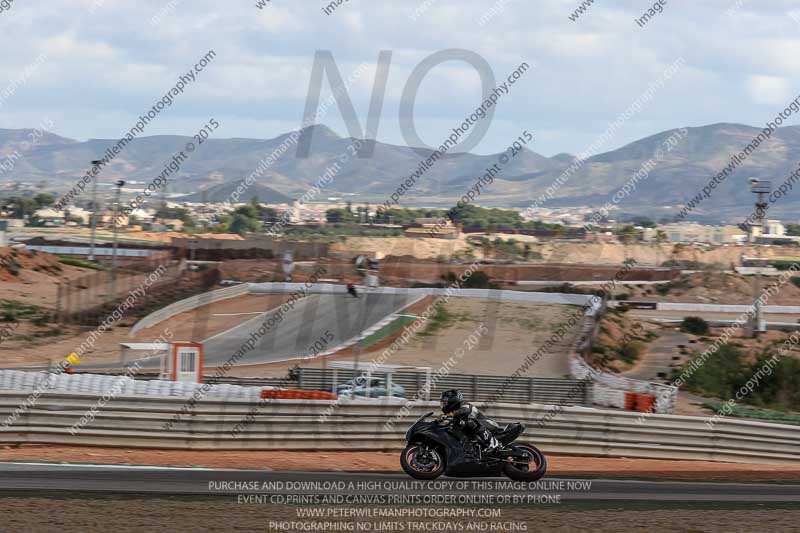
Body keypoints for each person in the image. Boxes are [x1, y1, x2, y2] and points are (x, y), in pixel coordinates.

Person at [439, 389, 501, 455]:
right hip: (477, 431)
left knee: (469, 422)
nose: (443, 404)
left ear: (453, 400)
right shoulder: (455, 416)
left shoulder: (465, 405)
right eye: (443, 402)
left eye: (445, 402)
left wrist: (448, 415)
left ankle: (494, 444)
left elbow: (464, 410)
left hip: (489, 424)